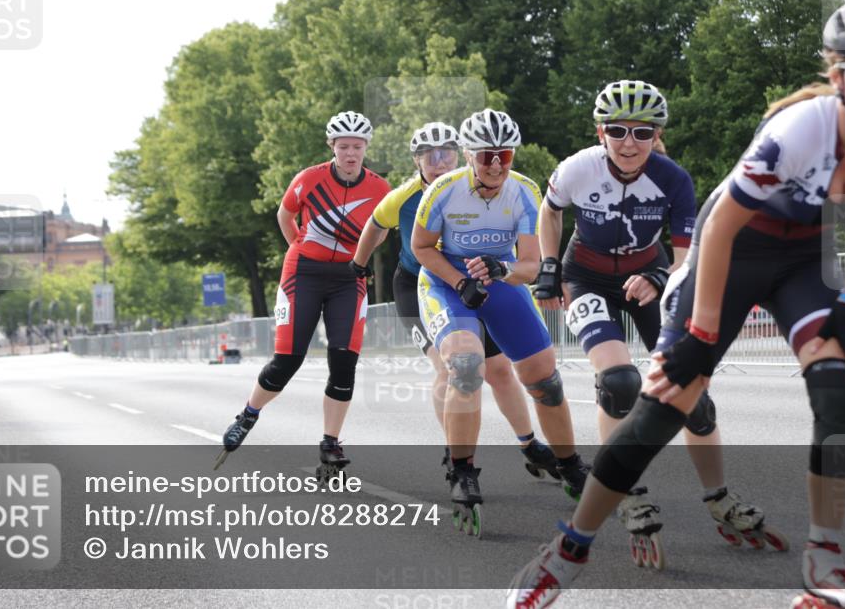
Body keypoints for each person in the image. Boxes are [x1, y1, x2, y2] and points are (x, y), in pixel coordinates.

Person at [508, 0, 845, 609]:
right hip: (733, 251)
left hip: (800, 262)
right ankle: (568, 549)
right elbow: (718, 230)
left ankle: (825, 562)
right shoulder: (803, 129)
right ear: (839, 75)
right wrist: (702, 332)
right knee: (665, 404)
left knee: (839, 388)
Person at [535, 79, 784, 567]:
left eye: (643, 133)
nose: (630, 143)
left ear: (657, 136)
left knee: (694, 397)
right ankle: (627, 491)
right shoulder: (576, 169)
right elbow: (550, 213)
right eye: (618, 130)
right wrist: (549, 267)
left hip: (651, 279)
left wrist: (654, 274)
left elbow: (685, 259)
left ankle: (717, 495)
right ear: (600, 132)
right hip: (585, 278)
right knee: (620, 383)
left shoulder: (672, 179)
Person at [351, 122, 568, 513]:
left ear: (459, 155)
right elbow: (375, 227)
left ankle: (529, 443)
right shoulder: (406, 196)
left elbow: (528, 257)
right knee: (454, 367)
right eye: (429, 156)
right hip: (419, 282)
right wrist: (358, 266)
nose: (438, 162)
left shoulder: (499, 186)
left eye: (445, 154)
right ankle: (457, 452)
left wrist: (505, 271)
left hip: (481, 279)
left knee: (500, 370)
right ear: (417, 161)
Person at [411, 108, 591, 534]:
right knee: (468, 367)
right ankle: (462, 469)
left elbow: (531, 264)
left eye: (504, 155)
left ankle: (568, 464)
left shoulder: (525, 192)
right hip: (445, 282)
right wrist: (458, 281)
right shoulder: (443, 190)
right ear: (470, 155)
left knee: (544, 378)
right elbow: (421, 247)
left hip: (499, 276)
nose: (496, 164)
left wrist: (500, 269)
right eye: (487, 155)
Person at [215, 111, 391, 477]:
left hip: (348, 277)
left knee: (344, 363)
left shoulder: (379, 188)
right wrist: (298, 244)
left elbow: (382, 228)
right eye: (343, 147)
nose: (350, 154)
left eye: (357, 147)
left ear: (366, 148)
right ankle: (248, 414)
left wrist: (361, 259)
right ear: (332, 147)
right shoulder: (309, 179)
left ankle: (330, 442)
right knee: (287, 361)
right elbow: (285, 213)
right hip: (304, 273)